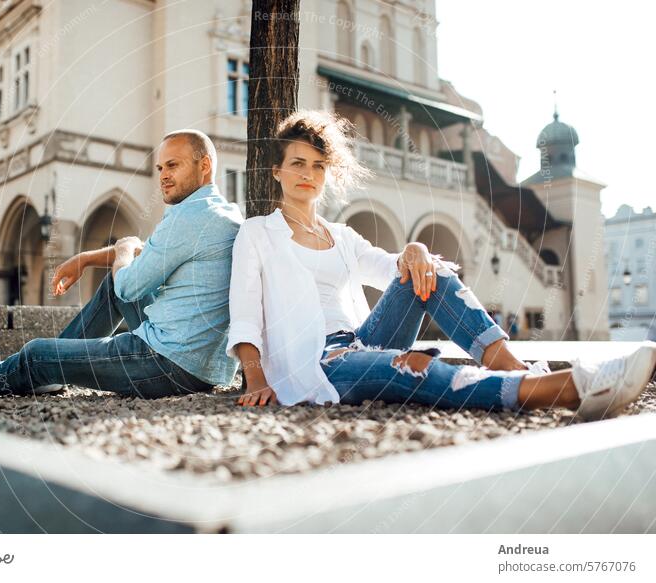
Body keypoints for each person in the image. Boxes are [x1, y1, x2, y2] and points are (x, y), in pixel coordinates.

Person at [227, 110, 656, 421]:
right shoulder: (258, 233)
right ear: (276, 171)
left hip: (363, 342)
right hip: (318, 365)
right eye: (297, 163)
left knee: (430, 269)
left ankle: (514, 367)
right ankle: (564, 388)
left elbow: (393, 268)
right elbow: (245, 317)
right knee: (410, 366)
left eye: (318, 165)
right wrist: (258, 381)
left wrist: (414, 248)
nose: (309, 174)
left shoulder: (341, 236)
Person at [0, 130, 243, 399]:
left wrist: (123, 247)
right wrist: (89, 257)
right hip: (201, 365)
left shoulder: (188, 216)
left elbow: (129, 284)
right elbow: (152, 255)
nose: (163, 174)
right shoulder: (220, 212)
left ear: (205, 165)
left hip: (166, 365)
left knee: (38, 352)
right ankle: (49, 374)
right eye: (161, 166)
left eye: (173, 166)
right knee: (109, 293)